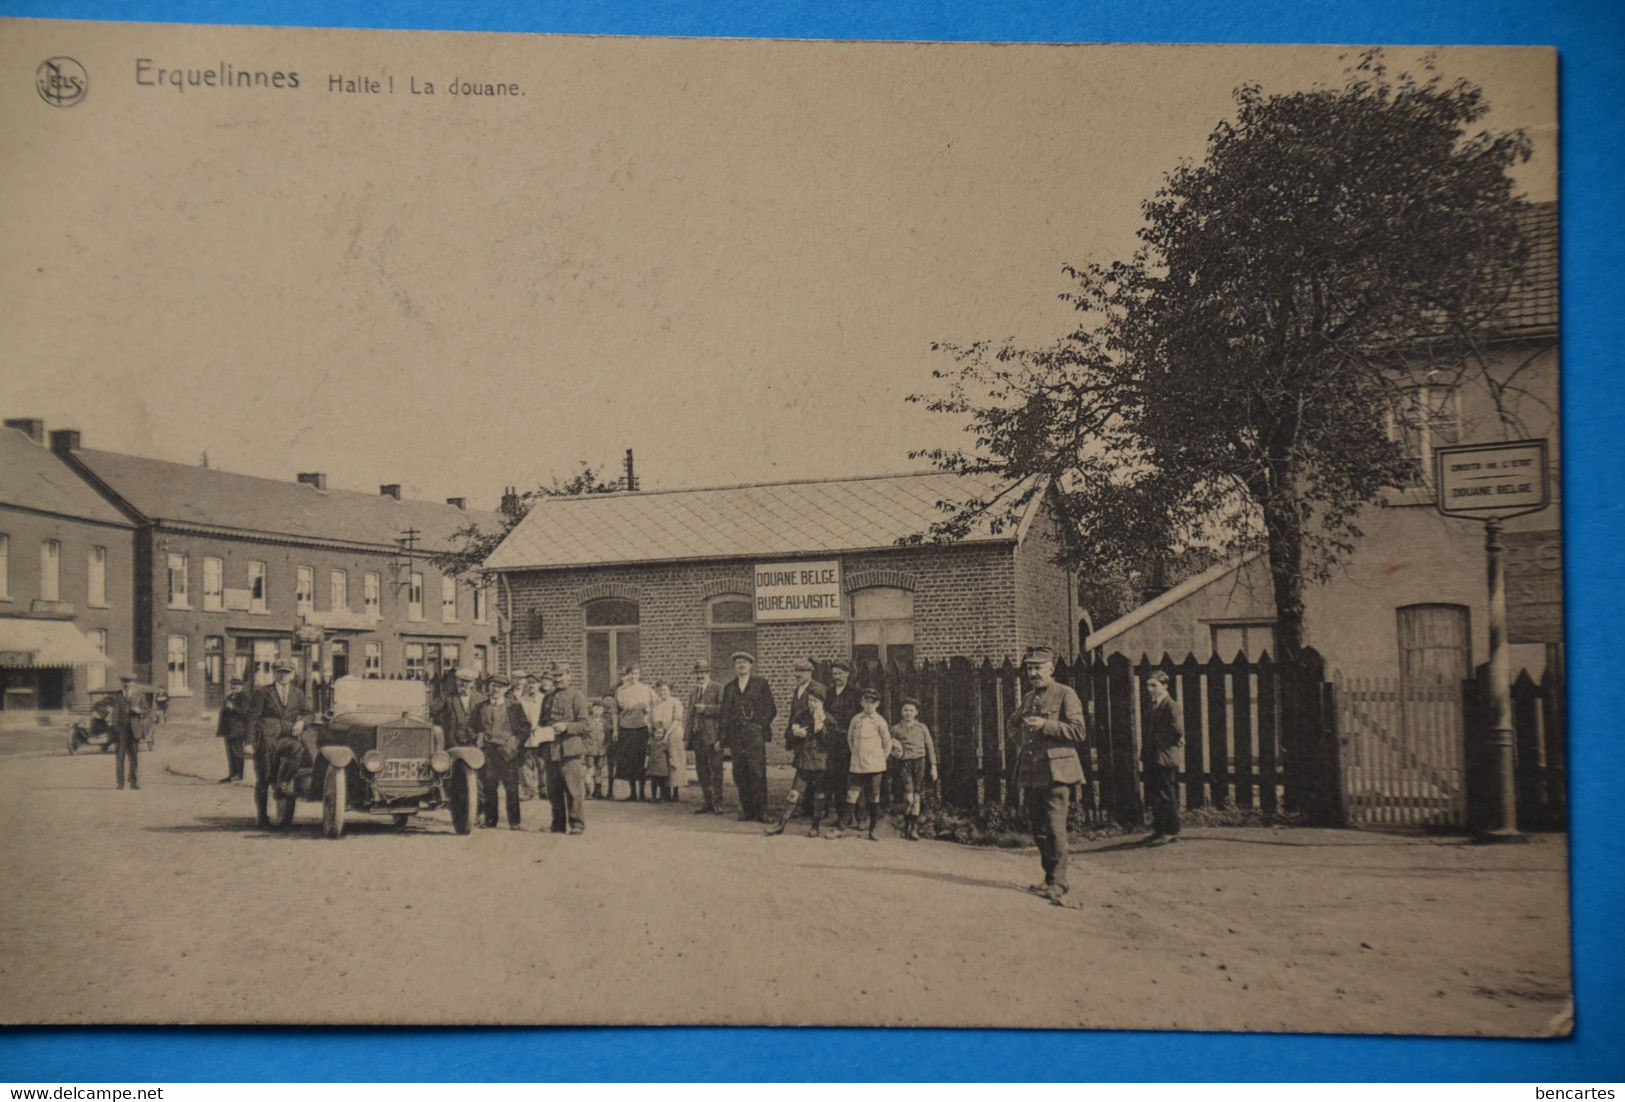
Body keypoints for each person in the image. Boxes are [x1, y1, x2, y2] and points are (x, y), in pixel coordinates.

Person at [1011, 646, 1088, 905]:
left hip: (1057, 773)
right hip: (1032, 771)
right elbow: (1013, 724)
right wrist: (1021, 740)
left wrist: (1046, 725)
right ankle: (1048, 876)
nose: (1033, 673)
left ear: (1051, 668)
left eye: (1038, 668)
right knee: (1039, 828)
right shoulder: (1029, 697)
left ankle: (1059, 882)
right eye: (1030, 668)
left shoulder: (1066, 694)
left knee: (1055, 828)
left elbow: (1079, 731)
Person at [766, 683, 834, 837]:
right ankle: (781, 824)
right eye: (810, 700)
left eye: (815, 701)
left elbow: (832, 741)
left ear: (822, 703)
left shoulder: (828, 719)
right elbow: (788, 735)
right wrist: (795, 734)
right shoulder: (801, 716)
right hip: (804, 762)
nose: (812, 704)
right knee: (794, 793)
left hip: (820, 764)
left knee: (819, 795)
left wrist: (820, 728)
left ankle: (815, 826)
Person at [248, 660, 312, 823]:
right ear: (274, 673)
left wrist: (302, 722)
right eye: (280, 672)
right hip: (266, 741)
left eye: (287, 672)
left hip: (287, 738)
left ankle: (283, 782)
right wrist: (248, 743)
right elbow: (252, 719)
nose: (283, 675)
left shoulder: (297, 693)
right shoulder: (262, 692)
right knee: (264, 779)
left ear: (292, 674)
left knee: (298, 749)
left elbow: (309, 713)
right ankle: (262, 817)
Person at [719, 651, 775, 822]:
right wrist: (724, 736)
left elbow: (771, 708)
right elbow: (725, 713)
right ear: (735, 667)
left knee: (757, 772)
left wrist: (758, 725)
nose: (741, 665)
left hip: (754, 735)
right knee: (740, 772)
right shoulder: (729, 687)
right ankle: (747, 810)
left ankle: (762, 812)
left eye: (744, 662)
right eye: (738, 663)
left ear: (751, 665)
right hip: (736, 737)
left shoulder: (761, 684)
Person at [538, 664, 593, 835]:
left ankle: (577, 824)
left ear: (569, 675)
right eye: (555, 676)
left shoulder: (577, 696)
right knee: (553, 791)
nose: (557, 679)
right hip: (551, 750)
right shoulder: (547, 698)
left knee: (573, 790)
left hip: (570, 751)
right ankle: (558, 824)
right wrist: (540, 730)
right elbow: (543, 721)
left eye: (561, 675)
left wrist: (566, 726)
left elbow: (585, 725)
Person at [474, 674, 528, 830]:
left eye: (499, 686)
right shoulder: (481, 707)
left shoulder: (514, 706)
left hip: (508, 753)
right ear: (488, 688)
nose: (495, 689)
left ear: (506, 689)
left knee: (511, 788)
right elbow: (472, 727)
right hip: (488, 752)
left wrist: (515, 742)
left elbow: (525, 728)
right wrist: (478, 736)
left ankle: (515, 822)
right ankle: (491, 821)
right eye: (492, 686)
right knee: (489, 787)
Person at [839, 687, 892, 840]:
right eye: (865, 701)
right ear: (861, 702)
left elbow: (887, 744)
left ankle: (873, 829)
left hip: (875, 766)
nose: (868, 705)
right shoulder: (856, 719)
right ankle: (841, 828)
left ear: (877, 704)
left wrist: (880, 760)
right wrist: (856, 753)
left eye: (872, 702)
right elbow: (850, 739)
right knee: (851, 795)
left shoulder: (880, 721)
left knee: (874, 796)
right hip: (857, 764)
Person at [1141, 670, 1185, 846]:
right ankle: (1159, 830)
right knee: (1154, 794)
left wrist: (1159, 740)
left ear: (1165, 686)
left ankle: (1172, 831)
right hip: (1153, 755)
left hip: (1164, 756)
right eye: (1148, 685)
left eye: (1154, 685)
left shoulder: (1170, 705)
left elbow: (1177, 730)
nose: (1150, 689)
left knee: (1166, 794)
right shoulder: (1154, 705)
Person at [890, 696, 938, 841]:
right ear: (901, 712)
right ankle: (905, 824)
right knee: (909, 798)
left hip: (920, 763)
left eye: (911, 710)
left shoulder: (922, 728)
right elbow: (889, 746)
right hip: (905, 764)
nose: (908, 713)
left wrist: (934, 767)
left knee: (917, 796)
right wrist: (895, 753)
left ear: (916, 713)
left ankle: (913, 829)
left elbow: (930, 747)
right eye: (905, 710)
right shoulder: (896, 729)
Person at [823, 659, 860, 820]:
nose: (837, 677)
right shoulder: (829, 693)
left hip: (849, 742)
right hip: (832, 742)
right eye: (834, 674)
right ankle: (840, 816)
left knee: (850, 779)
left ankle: (853, 815)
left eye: (840, 673)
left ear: (847, 674)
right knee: (835, 779)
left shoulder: (855, 693)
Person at [686, 661, 725, 814]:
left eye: (703, 673)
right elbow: (689, 715)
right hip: (697, 737)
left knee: (716, 770)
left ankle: (718, 803)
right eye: (697, 673)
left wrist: (706, 709)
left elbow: (724, 710)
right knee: (701, 770)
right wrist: (687, 736)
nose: (700, 676)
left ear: (708, 673)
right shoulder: (694, 692)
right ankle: (707, 802)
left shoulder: (718, 688)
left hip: (712, 736)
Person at [612, 664, 655, 801]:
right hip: (625, 728)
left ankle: (642, 793)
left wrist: (650, 716)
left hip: (641, 728)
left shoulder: (646, 689)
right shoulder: (620, 690)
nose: (633, 676)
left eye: (636, 673)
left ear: (639, 675)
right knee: (629, 760)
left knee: (641, 759)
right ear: (627, 674)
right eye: (631, 673)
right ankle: (633, 793)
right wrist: (615, 729)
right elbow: (615, 712)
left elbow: (656, 704)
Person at [648, 680, 685, 802]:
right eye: (660, 690)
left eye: (665, 690)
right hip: (659, 735)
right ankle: (665, 792)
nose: (662, 692)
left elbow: (677, 720)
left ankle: (675, 792)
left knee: (674, 761)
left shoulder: (675, 702)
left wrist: (667, 734)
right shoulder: (655, 703)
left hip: (673, 733)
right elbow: (650, 720)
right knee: (662, 763)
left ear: (670, 691)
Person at [107, 674, 146, 791]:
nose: (126, 684)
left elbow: (147, 709)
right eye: (124, 682)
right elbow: (115, 713)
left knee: (134, 757)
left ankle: (134, 782)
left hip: (134, 730)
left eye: (129, 682)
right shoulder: (118, 695)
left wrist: (139, 711)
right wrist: (115, 728)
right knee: (120, 757)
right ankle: (120, 783)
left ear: (133, 683)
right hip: (121, 730)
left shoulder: (139, 695)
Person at [512, 671, 545, 801]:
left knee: (542, 763)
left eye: (534, 683)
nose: (531, 686)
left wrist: (540, 726)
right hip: (525, 736)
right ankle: (528, 790)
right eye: (529, 683)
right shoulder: (521, 701)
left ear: (539, 684)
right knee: (525, 764)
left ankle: (544, 789)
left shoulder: (544, 699)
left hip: (540, 735)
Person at [216, 677, 251, 783]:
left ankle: (239, 774)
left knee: (237, 752)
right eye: (232, 684)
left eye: (236, 684)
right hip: (228, 730)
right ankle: (232, 774)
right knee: (230, 752)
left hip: (238, 730)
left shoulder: (244, 697)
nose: (234, 686)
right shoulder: (229, 696)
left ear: (242, 686)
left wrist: (233, 708)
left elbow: (246, 713)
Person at [583, 698, 611, 801]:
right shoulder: (587, 722)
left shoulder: (605, 723)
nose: (598, 711)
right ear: (592, 709)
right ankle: (587, 791)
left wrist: (605, 748)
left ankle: (598, 792)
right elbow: (584, 736)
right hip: (590, 750)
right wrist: (586, 748)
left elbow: (608, 737)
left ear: (603, 711)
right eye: (596, 709)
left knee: (599, 770)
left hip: (601, 750)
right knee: (589, 770)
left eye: (600, 709)